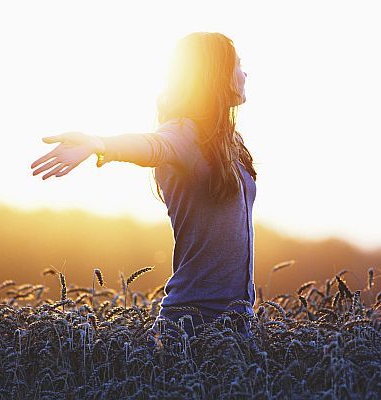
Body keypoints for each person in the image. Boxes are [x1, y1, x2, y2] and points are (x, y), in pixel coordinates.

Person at [30, 32, 257, 344]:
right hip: (191, 324)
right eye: (238, 65)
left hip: (238, 322)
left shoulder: (231, 143)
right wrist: (100, 144)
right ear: (216, 74)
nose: (245, 73)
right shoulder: (184, 133)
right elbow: (152, 146)